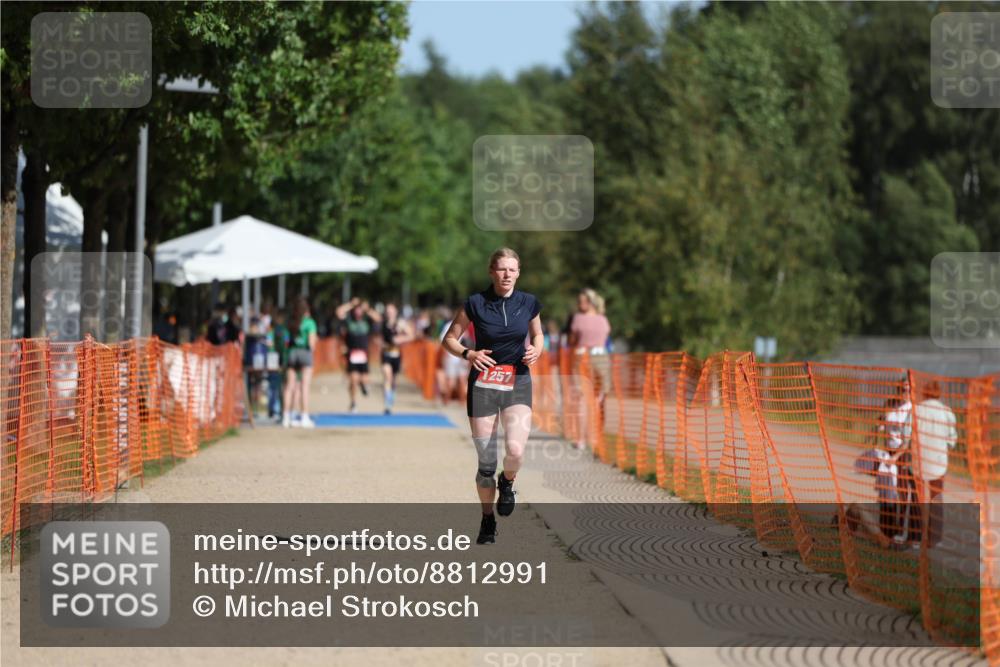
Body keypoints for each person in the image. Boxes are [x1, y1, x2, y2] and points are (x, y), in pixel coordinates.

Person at [442, 248, 543, 545]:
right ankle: (487, 518)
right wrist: (469, 354)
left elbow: (538, 334)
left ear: (519, 273)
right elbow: (449, 339)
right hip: (483, 385)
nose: (507, 274)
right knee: (486, 463)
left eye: (512, 269)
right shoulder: (475, 303)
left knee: (516, 450)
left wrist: (537, 349)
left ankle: (507, 482)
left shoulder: (529, 303)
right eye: (501, 269)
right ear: (491, 271)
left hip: (517, 381)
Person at [908, 381, 958, 546]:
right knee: (936, 498)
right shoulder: (947, 412)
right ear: (939, 393)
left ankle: (915, 538)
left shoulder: (916, 410)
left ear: (924, 392)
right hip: (938, 462)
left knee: (917, 498)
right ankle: (934, 539)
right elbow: (952, 440)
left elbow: (907, 434)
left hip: (918, 461)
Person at [567, 288, 612, 450]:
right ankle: (592, 438)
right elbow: (605, 339)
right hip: (600, 357)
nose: (580, 304)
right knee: (596, 398)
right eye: (579, 301)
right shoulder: (603, 319)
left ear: (591, 302)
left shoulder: (578, 318)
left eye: (583, 301)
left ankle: (586, 439)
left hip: (583, 357)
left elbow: (572, 341)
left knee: (585, 398)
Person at [335, 298, 382, 413]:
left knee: (364, 379)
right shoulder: (349, 320)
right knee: (353, 380)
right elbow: (339, 312)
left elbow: (378, 318)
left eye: (360, 309)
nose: (358, 311)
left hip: (363, 354)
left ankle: (363, 385)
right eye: (356, 309)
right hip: (352, 354)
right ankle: (353, 402)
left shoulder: (367, 321)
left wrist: (368, 309)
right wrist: (351, 304)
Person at [283, 297, 318, 428]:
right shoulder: (309, 323)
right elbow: (312, 343)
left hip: (292, 353)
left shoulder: (290, 322)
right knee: (304, 386)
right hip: (305, 353)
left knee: (289, 386)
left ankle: (286, 417)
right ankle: (304, 417)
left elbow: (286, 341)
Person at [380, 303, 415, 415]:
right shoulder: (383, 323)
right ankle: (387, 403)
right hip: (386, 354)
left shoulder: (400, 323)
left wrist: (400, 339)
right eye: (387, 311)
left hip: (396, 354)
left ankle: (391, 396)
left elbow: (411, 335)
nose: (389, 313)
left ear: (395, 312)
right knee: (387, 376)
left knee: (393, 380)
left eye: (391, 311)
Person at [267, 310, 290, 422]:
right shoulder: (275, 332)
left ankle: (278, 410)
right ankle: (276, 410)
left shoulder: (282, 332)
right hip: (277, 362)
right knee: (276, 387)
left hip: (279, 362)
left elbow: (285, 345)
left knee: (278, 387)